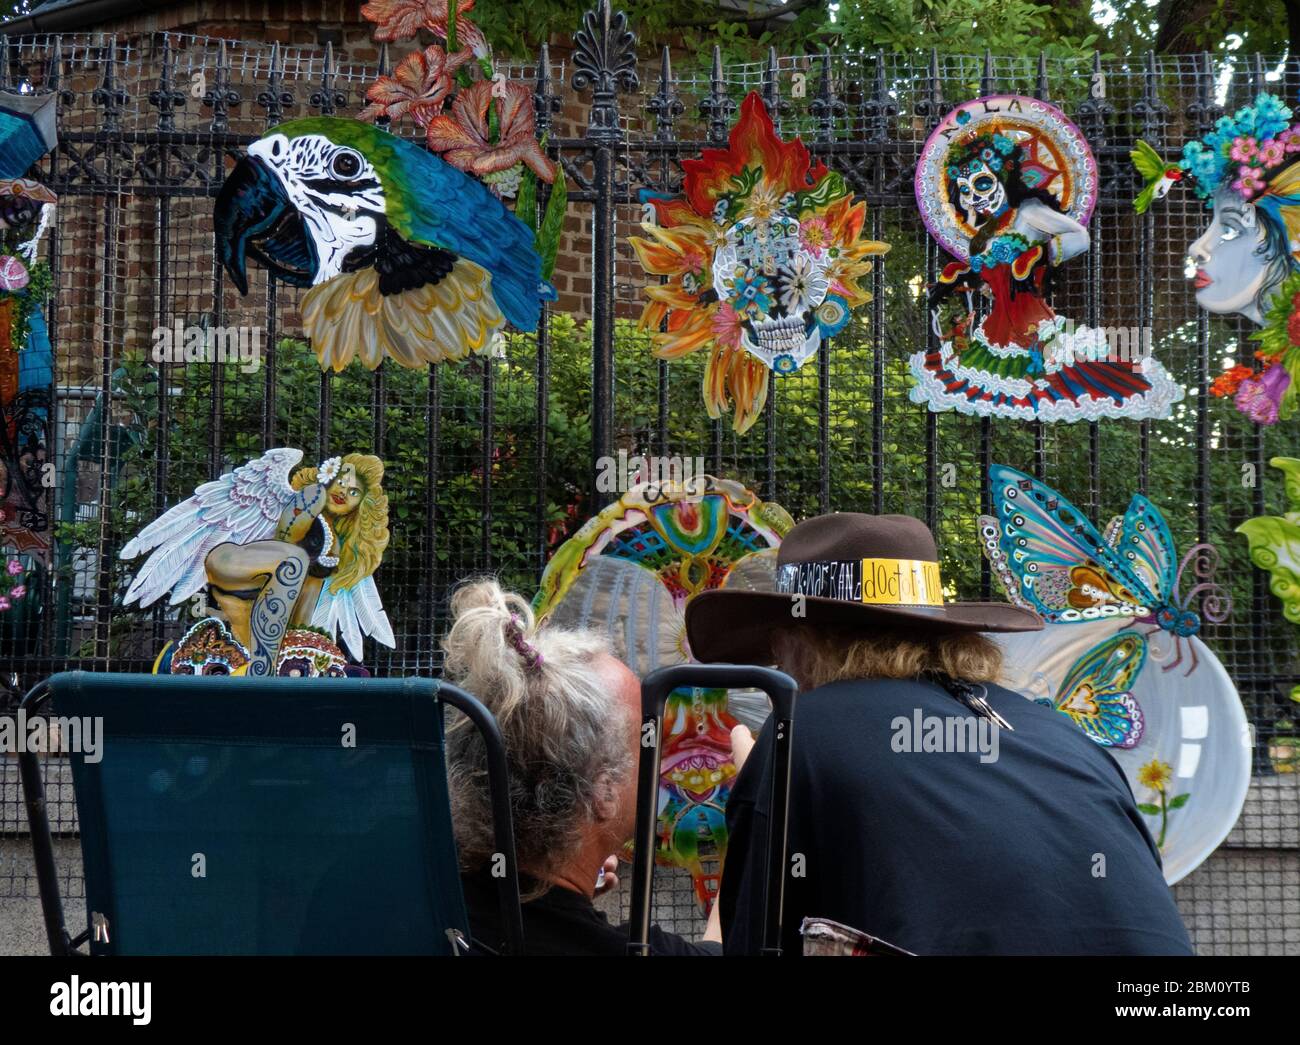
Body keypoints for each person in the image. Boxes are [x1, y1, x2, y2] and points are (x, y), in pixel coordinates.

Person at [684, 512, 1195, 956]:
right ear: (942, 631)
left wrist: (764, 774)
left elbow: (758, 942)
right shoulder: (1062, 734)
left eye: (778, 645)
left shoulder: (802, 731)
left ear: (798, 640)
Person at [442, 578, 729, 955]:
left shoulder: (428, 902)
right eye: (644, 742)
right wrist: (754, 814)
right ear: (604, 792)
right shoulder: (632, 949)